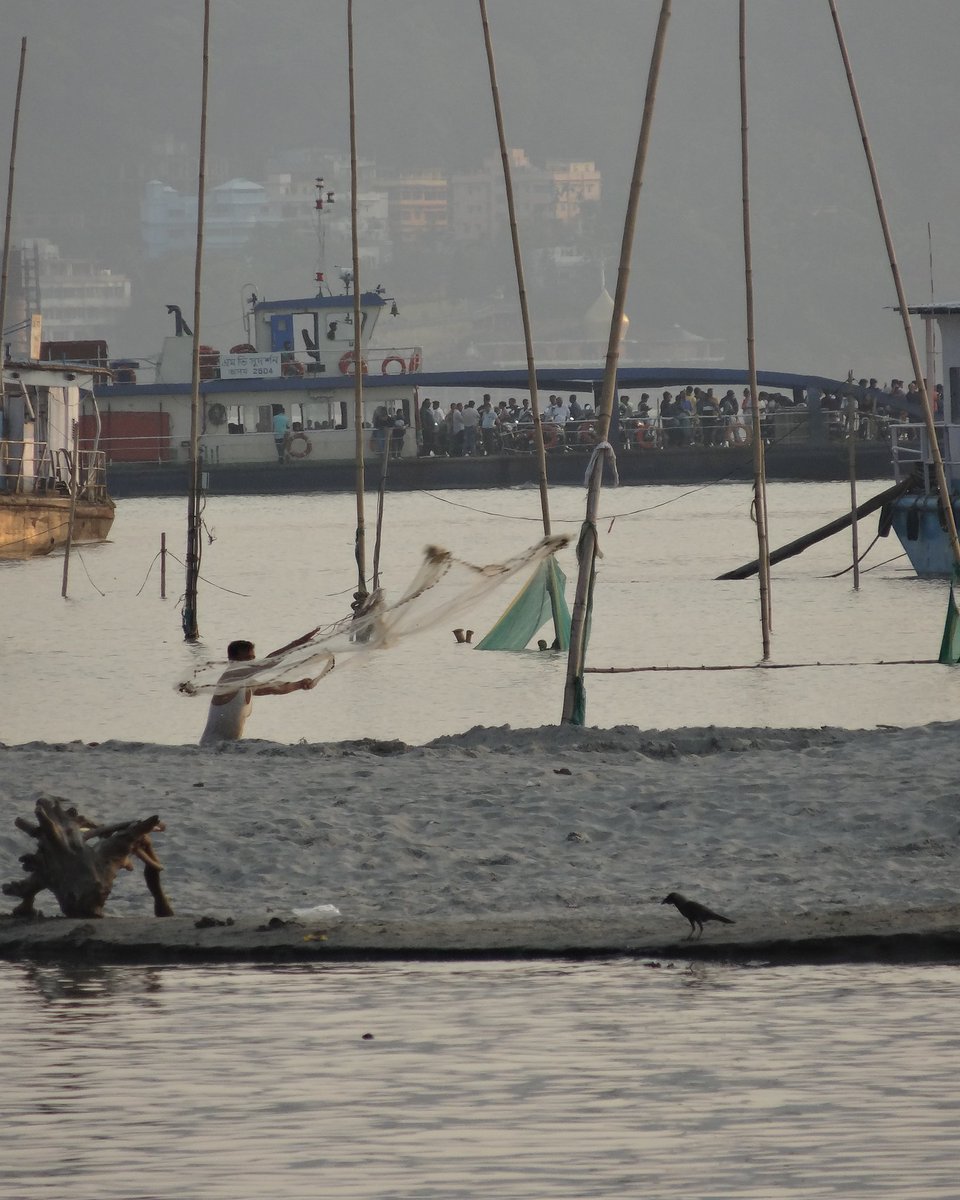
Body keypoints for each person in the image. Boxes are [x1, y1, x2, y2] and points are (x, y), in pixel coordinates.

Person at [199, 639, 319, 746]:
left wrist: (300, 684)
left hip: (228, 748)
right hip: (211, 747)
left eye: (252, 658)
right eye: (246, 659)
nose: (252, 663)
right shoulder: (230, 677)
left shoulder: (248, 683)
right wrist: (298, 643)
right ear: (233, 661)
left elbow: (277, 688)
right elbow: (269, 663)